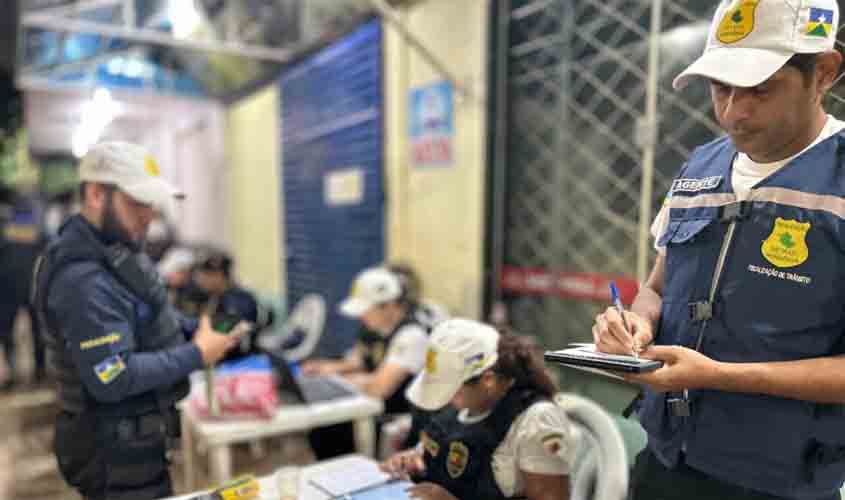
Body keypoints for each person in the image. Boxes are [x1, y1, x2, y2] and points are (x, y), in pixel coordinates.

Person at [592, 1, 845, 499]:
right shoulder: (700, 168)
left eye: (759, 90)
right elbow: (656, 288)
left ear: (823, 73)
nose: (734, 113)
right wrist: (635, 325)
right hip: (666, 462)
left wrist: (721, 377)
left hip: (779, 483)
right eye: (721, 88)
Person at [32, 141, 242, 500]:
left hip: (138, 443)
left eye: (151, 203)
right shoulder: (83, 280)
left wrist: (194, 328)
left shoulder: (116, 251)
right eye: (138, 202)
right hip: (112, 460)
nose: (149, 216)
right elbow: (113, 376)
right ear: (97, 194)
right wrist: (197, 354)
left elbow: (146, 311)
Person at [380, 318, 573, 500]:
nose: (444, 400)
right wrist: (414, 460)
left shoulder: (536, 420)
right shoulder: (462, 404)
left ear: (487, 380)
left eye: (450, 391)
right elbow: (443, 453)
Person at [302, 266, 430, 459]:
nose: (361, 317)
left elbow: (380, 387)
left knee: (332, 429)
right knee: (321, 429)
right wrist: (325, 368)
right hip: (366, 403)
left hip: (392, 417)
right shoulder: (374, 327)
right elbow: (359, 359)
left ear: (389, 305)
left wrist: (340, 379)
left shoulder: (411, 336)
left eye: (366, 310)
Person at [189, 249, 275, 362]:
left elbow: (221, 334)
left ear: (218, 275)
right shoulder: (215, 296)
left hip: (237, 365)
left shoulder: (237, 301)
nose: (200, 280)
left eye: (205, 275)